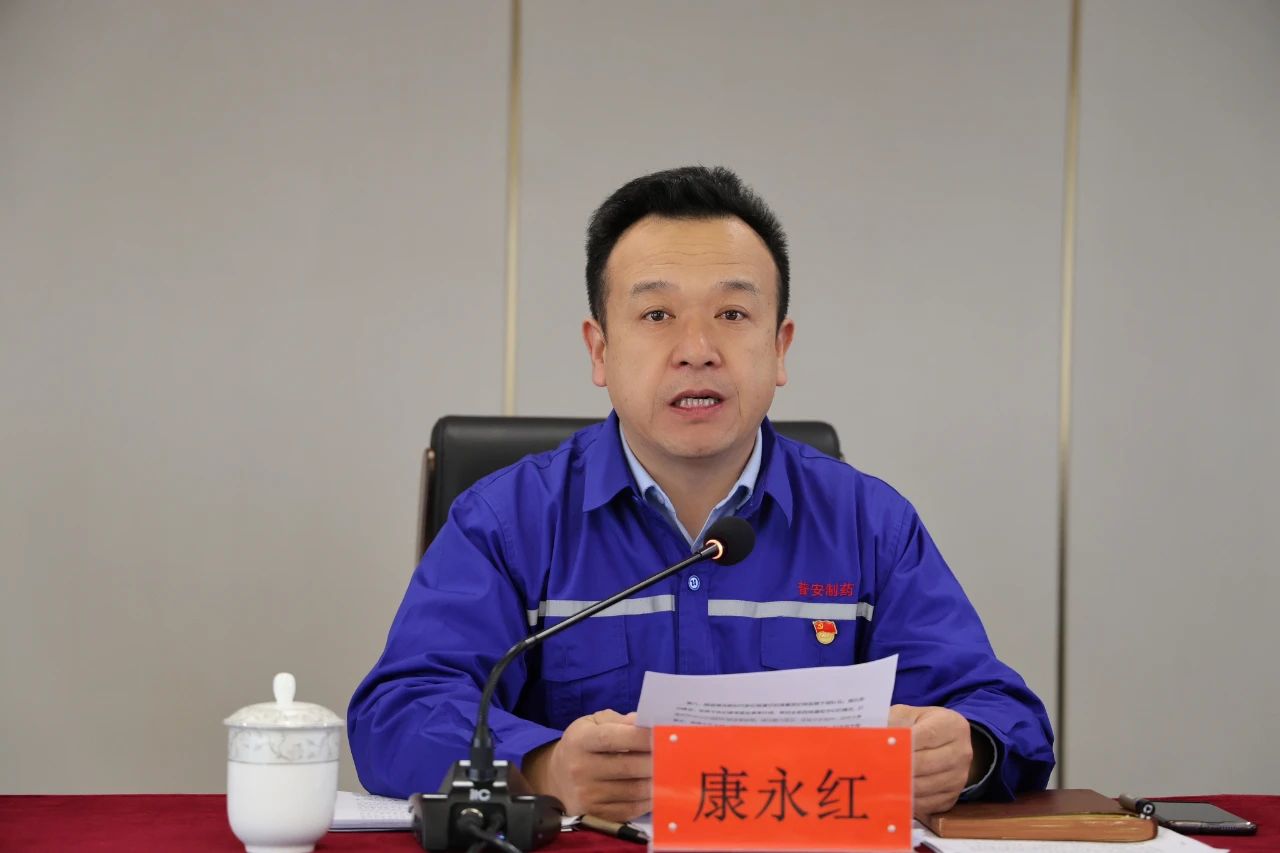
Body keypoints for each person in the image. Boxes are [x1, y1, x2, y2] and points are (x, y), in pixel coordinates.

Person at [348, 166, 1055, 822]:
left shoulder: (869, 524)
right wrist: (542, 767)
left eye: (732, 314)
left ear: (780, 348)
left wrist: (967, 750)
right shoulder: (509, 522)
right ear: (600, 350)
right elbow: (398, 713)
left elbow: (1002, 711)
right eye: (657, 315)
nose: (697, 349)